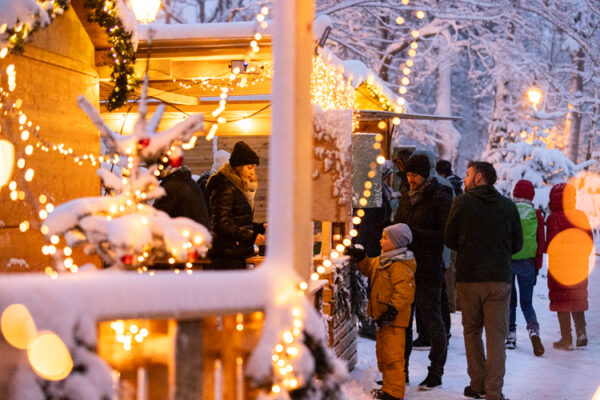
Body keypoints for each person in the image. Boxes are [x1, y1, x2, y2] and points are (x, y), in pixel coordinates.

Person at [444, 161, 523, 400]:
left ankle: (477, 384)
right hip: (499, 279)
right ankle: (494, 391)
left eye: (468, 175)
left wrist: (468, 248)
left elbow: (449, 238)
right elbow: (517, 244)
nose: (465, 179)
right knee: (497, 336)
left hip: (469, 278)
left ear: (479, 177)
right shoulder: (508, 206)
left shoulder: (461, 203)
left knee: (471, 331)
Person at [392, 153, 451, 390]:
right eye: (408, 174)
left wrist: (413, 233)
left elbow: (444, 235)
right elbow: (399, 223)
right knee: (403, 322)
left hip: (429, 267)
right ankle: (401, 371)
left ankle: (435, 372)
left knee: (433, 322)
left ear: (425, 174)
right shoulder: (407, 196)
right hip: (405, 268)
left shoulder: (440, 196)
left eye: (414, 174)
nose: (410, 178)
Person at [346, 223, 417, 400]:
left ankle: (394, 392)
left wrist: (393, 309)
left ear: (397, 242)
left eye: (385, 238)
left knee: (393, 357)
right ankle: (388, 387)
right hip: (382, 318)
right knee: (384, 355)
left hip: (394, 320)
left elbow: (405, 292)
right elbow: (370, 267)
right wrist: (361, 258)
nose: (380, 240)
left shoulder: (400, 265)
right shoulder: (384, 260)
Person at [545, 182, 593, 350]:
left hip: (559, 267)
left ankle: (566, 338)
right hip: (578, 265)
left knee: (561, 301)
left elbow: (550, 244)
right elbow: (589, 241)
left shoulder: (552, 219)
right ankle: (582, 332)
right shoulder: (581, 216)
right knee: (577, 298)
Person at [204, 141, 266, 270]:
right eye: (249, 168)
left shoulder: (239, 188)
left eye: (254, 168)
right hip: (226, 255)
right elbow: (221, 224)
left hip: (236, 252)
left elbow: (238, 219)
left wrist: (259, 227)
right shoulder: (226, 187)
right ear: (238, 167)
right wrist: (251, 236)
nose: (252, 172)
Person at [353, 160, 394, 339]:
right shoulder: (373, 194)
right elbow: (371, 221)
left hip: (373, 241)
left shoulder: (378, 191)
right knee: (372, 284)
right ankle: (369, 323)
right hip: (371, 242)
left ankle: (371, 322)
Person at [505, 180, 545, 356]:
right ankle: (533, 331)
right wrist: (537, 265)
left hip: (508, 261)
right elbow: (541, 242)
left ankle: (511, 336)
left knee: (510, 302)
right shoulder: (536, 214)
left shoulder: (508, 210)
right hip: (527, 262)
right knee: (526, 303)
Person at [153, 164, 211, 229]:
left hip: (184, 235)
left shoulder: (171, 187)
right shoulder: (189, 182)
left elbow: (157, 218)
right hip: (200, 233)